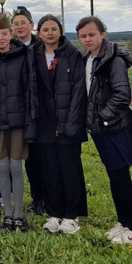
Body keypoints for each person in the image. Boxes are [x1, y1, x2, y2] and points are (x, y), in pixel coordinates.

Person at [77, 16, 132, 245]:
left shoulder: (112, 60)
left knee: (121, 176)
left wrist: (103, 119)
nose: (87, 39)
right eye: (83, 36)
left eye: (92, 34)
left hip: (115, 128)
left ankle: (131, 229)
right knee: (114, 176)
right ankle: (123, 222)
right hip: (101, 130)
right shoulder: (89, 59)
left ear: (102, 34)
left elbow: (122, 95)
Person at [27, 14, 88, 234]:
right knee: (49, 170)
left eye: (54, 29)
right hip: (43, 124)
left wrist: (73, 123)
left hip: (67, 123)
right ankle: (54, 213)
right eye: (45, 29)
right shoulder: (32, 55)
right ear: (39, 33)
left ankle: (71, 216)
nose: (50, 33)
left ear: (60, 32)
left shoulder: (72, 56)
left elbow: (80, 92)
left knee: (69, 170)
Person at [0, 13, 33, 232]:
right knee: (1, 166)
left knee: (15, 167)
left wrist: (30, 122)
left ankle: (19, 215)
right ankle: (7, 215)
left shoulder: (23, 58)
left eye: (4, 33)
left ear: (11, 34)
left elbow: (29, 92)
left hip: (18, 122)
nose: (1, 38)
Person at [11, 6, 41, 212]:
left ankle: (46, 197)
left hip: (41, 109)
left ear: (32, 25)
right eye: (16, 24)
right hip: (18, 109)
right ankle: (36, 198)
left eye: (23, 23)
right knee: (28, 159)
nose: (20, 27)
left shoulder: (42, 47)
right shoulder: (10, 48)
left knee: (42, 157)